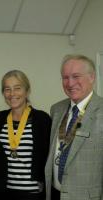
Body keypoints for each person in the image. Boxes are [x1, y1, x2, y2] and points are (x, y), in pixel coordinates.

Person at [45, 54, 103, 200]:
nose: (70, 83)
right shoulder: (56, 109)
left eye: (76, 76)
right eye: (65, 77)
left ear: (92, 77)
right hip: (54, 193)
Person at [0, 69, 51, 200]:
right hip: (2, 191)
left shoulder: (42, 119)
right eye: (7, 89)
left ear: (27, 91)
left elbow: (49, 155)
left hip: (32, 193)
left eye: (17, 88)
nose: (12, 94)